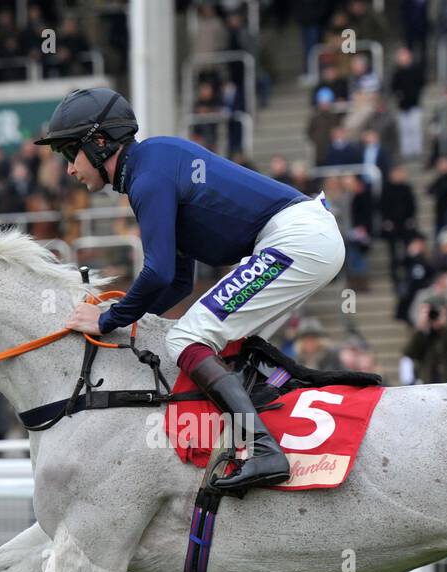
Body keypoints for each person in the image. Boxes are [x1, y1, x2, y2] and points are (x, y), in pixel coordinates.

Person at [36, 88, 346, 491]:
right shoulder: (151, 165)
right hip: (305, 237)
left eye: (69, 154)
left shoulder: (148, 178)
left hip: (296, 240)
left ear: (98, 143)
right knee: (211, 336)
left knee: (187, 338)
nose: (69, 170)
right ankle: (268, 430)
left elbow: (159, 272)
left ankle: (263, 448)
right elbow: (179, 279)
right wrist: (127, 323)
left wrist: (109, 317)